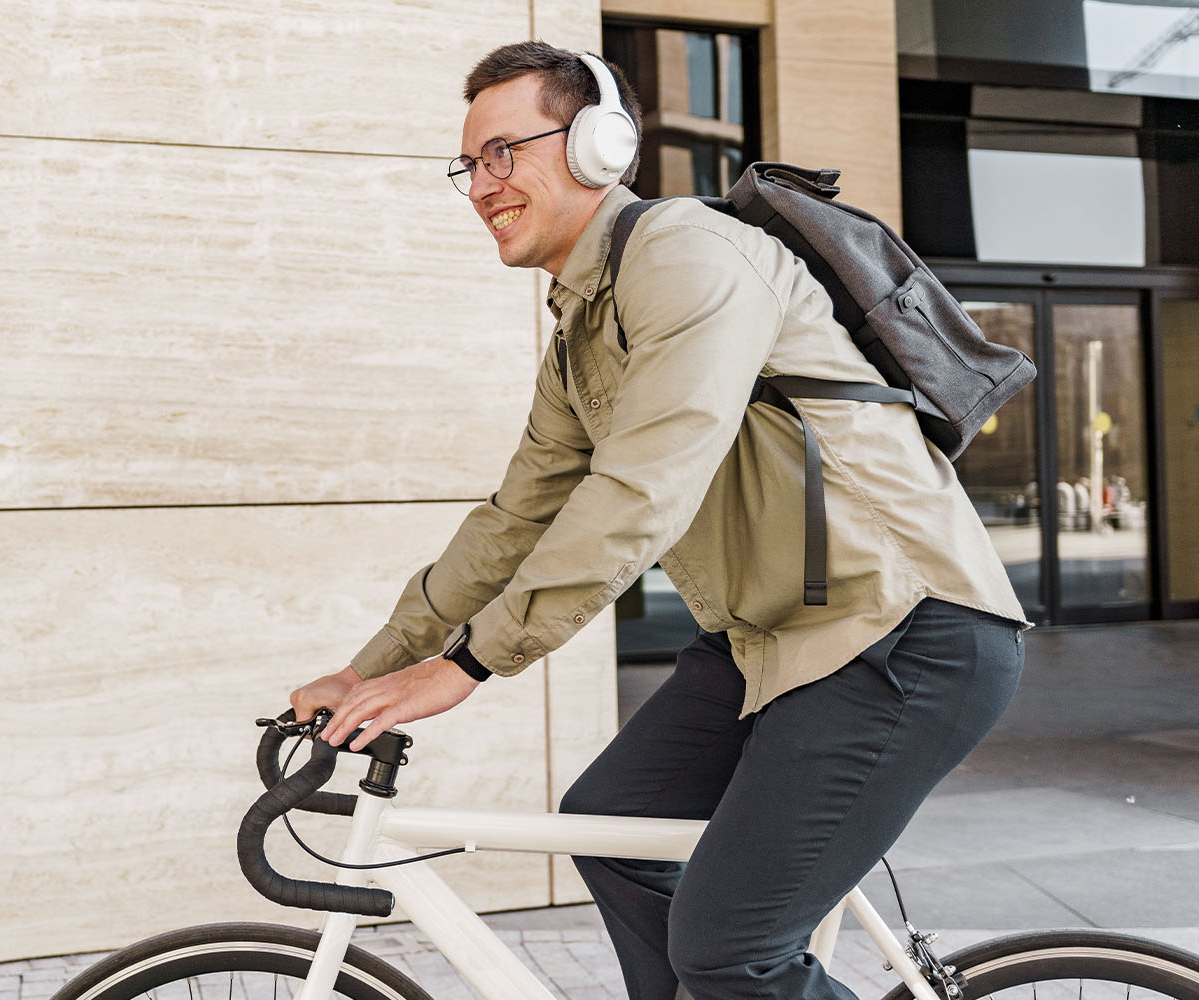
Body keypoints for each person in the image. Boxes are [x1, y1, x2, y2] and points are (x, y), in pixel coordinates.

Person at [292, 41, 1028, 1000]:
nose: (481, 185)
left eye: (504, 152)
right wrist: (372, 668)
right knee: (613, 825)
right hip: (773, 642)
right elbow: (514, 520)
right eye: (469, 164)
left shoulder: (688, 255)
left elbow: (644, 487)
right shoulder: (583, 327)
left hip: (900, 633)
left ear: (599, 145)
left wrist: (468, 663)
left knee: (730, 949)